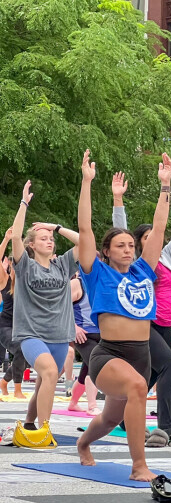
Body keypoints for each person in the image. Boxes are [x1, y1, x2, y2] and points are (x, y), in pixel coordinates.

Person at [75, 150, 171, 481]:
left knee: (109, 419)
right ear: (106, 251)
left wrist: (165, 187)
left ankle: (83, 443)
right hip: (109, 354)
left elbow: (159, 229)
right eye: (121, 245)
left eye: (131, 245)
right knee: (135, 388)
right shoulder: (97, 273)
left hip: (140, 354)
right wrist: (87, 182)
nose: (129, 249)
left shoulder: (144, 272)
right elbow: (84, 229)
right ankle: (139, 465)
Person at [111, 172, 171, 434]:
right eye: (147, 237)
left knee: (151, 375)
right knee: (169, 366)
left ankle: (120, 416)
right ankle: (167, 426)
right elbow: (120, 233)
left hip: (167, 324)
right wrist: (117, 199)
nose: (155, 238)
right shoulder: (137, 265)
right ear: (141, 243)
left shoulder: (169, 257)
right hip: (145, 324)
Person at [11, 179, 81, 433]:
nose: (49, 241)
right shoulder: (25, 266)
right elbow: (16, 236)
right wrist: (23, 204)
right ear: (33, 245)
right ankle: (44, 430)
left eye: (50, 238)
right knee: (50, 372)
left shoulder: (62, 264)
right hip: (32, 334)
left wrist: (56, 227)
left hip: (60, 336)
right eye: (43, 238)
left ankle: (29, 423)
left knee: (45, 381)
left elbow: (84, 243)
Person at [68, 273, 101, 415]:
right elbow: (61, 307)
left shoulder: (102, 282)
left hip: (102, 333)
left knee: (85, 370)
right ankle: (92, 405)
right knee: (96, 364)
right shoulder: (77, 284)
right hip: (82, 334)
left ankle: (73, 402)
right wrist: (73, 327)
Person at [0, 231, 27, 400]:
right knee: (20, 349)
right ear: (10, 263)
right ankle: (17, 388)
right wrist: (6, 240)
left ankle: (4, 382)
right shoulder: (5, 280)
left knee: (28, 355)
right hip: (5, 325)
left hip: (22, 326)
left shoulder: (27, 281)